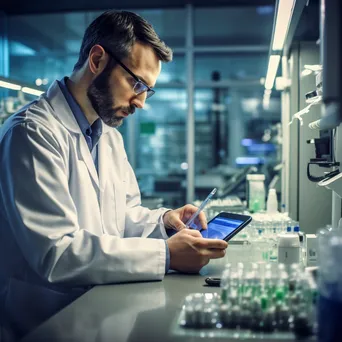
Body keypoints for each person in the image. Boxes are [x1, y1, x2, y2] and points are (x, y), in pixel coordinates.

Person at [0, 10, 228, 337]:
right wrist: (166, 255)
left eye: (148, 90)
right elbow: (58, 253)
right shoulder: (32, 133)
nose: (140, 102)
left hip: (102, 312)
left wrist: (164, 222)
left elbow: (122, 217)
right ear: (97, 60)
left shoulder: (108, 136)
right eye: (136, 83)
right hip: (44, 322)